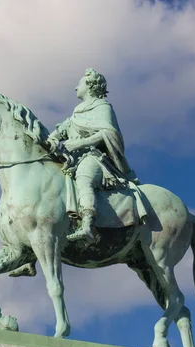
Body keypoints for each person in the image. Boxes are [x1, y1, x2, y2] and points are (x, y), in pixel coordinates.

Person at [47, 68, 139, 243]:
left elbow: (109, 133)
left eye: (79, 83)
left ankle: (88, 224)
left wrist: (79, 143)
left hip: (94, 157)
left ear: (90, 86)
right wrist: (50, 140)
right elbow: (58, 132)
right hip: (72, 161)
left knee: (84, 177)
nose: (76, 88)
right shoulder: (75, 114)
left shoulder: (103, 107)